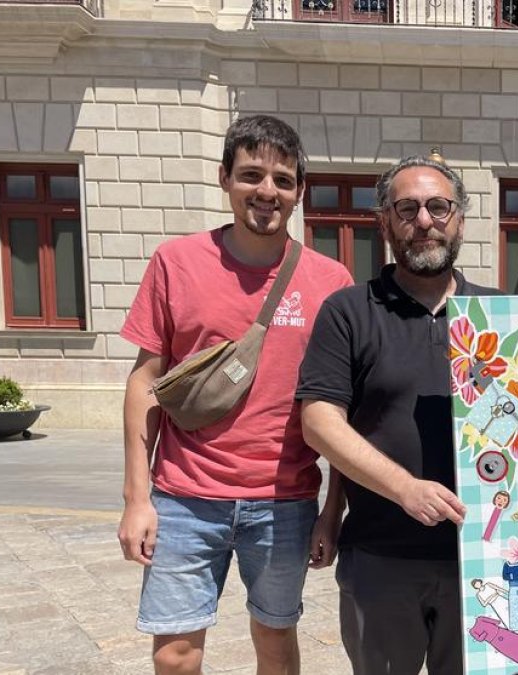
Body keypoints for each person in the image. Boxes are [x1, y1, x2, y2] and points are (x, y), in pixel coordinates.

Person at [116, 114, 353, 674]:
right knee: (175, 655)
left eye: (282, 179)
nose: (266, 191)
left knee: (275, 642)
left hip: (285, 502)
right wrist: (136, 498)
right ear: (224, 178)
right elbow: (144, 380)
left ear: (298, 192)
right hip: (183, 498)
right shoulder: (176, 263)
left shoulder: (330, 281)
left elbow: (344, 410)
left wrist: (331, 513)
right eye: (250, 175)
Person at [297, 154, 499, 674]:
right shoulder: (349, 311)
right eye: (407, 208)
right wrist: (404, 488)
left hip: (487, 561)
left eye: (438, 206)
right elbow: (320, 420)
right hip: (381, 558)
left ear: (460, 219)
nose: (425, 221)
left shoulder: (500, 318)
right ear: (384, 221)